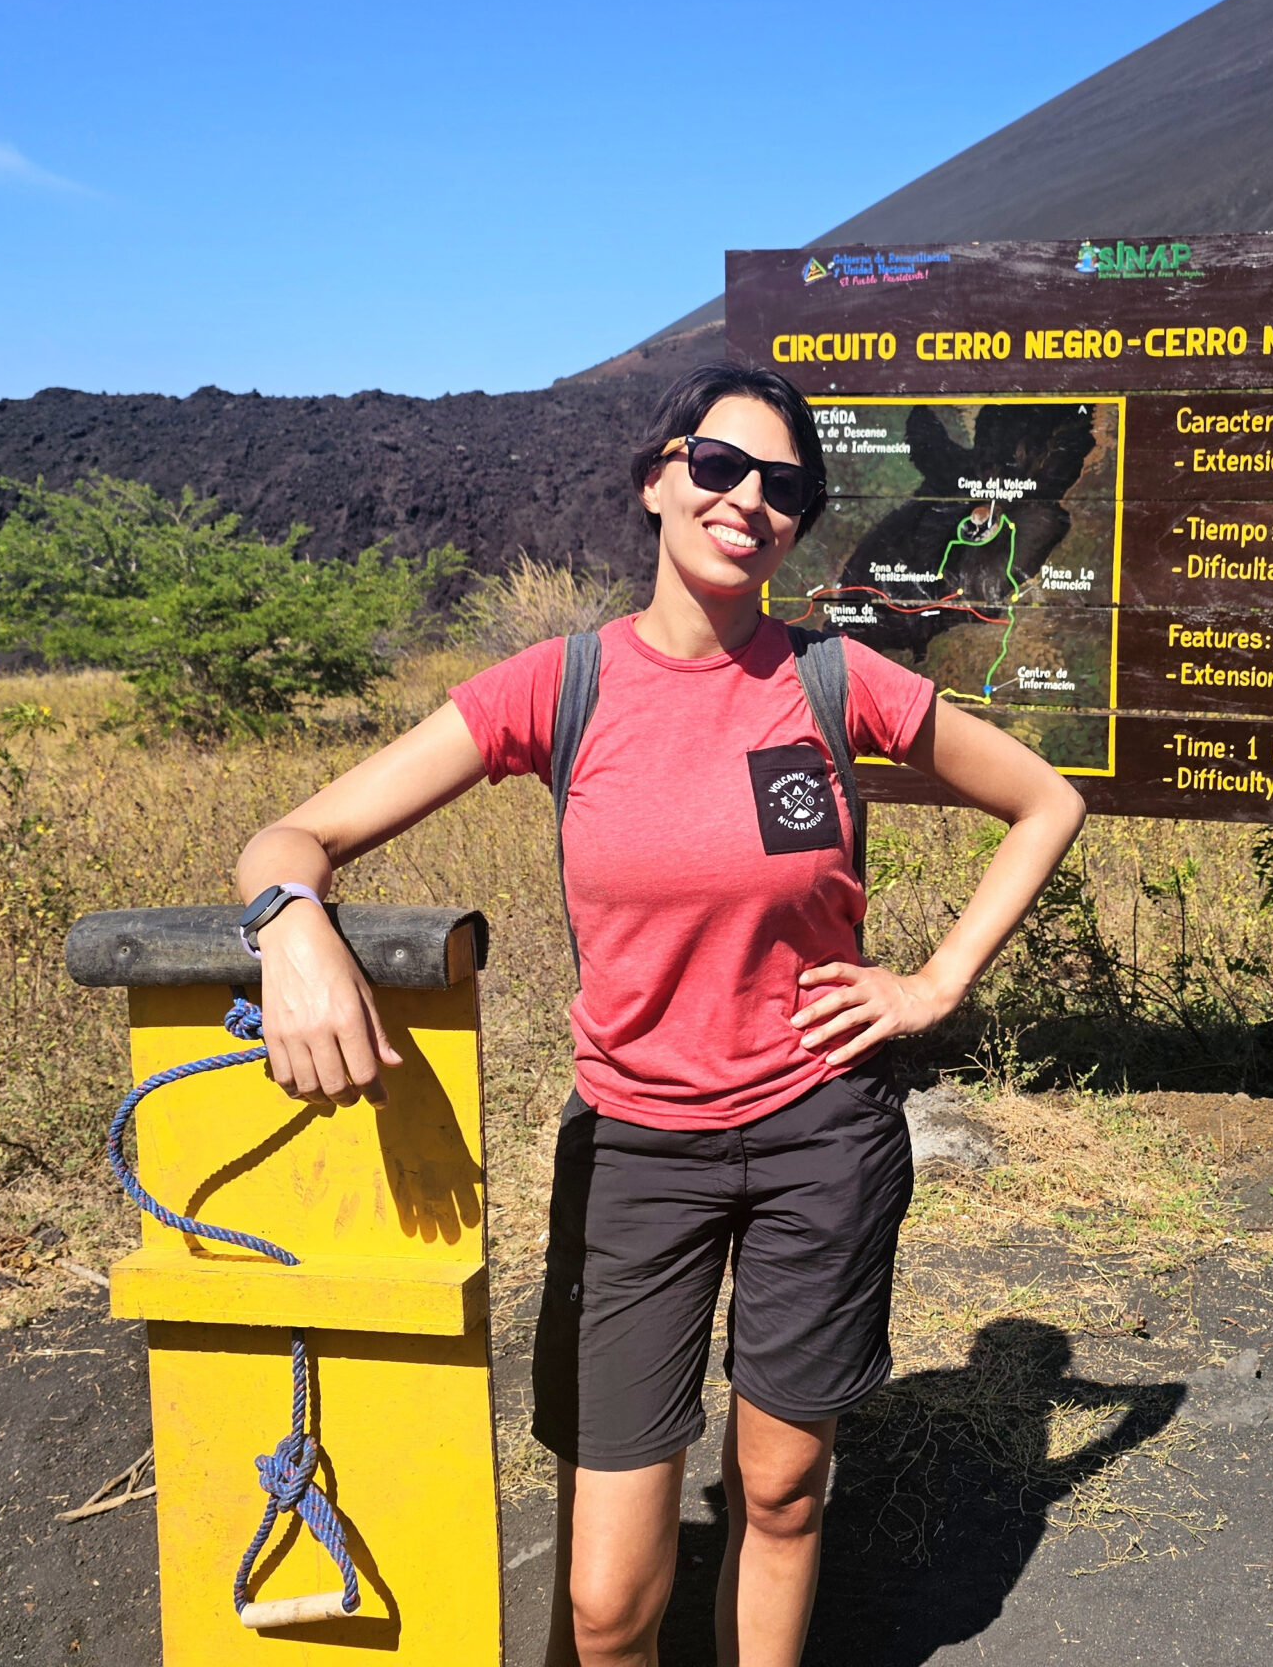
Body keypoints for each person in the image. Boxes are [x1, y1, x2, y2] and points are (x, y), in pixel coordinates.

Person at [232, 362, 1086, 1667]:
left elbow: (1047, 802)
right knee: (606, 1600)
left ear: (799, 523)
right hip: (634, 1156)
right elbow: (295, 833)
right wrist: (288, 923)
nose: (749, 500)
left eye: (784, 487)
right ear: (658, 480)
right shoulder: (559, 687)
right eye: (720, 466)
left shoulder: (830, 678)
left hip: (821, 1138)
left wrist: (933, 984)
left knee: (784, 1496)